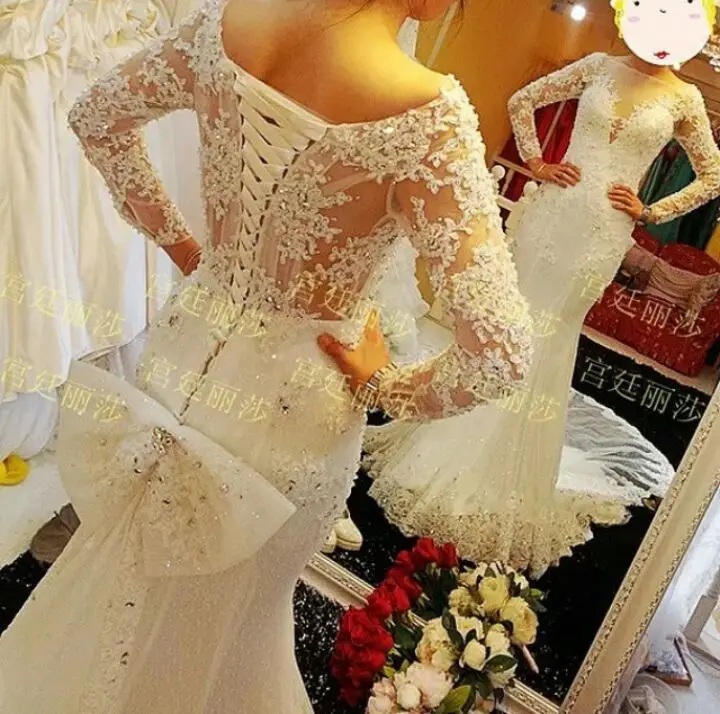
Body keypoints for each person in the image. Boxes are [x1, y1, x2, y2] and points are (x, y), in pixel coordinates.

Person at [0, 0, 532, 711]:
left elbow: (98, 117)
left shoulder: (229, 21)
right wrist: (386, 387)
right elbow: (499, 352)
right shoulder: (428, 118)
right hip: (294, 416)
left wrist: (184, 247)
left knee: (129, 593)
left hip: (178, 359)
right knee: (230, 631)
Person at [365, 27, 720, 575]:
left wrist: (651, 210)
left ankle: (506, 472)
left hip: (602, 234)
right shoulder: (599, 65)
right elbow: (523, 100)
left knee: (550, 338)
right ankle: (449, 435)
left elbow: (712, 175)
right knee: (509, 322)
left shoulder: (685, 98)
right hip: (553, 213)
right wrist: (537, 162)